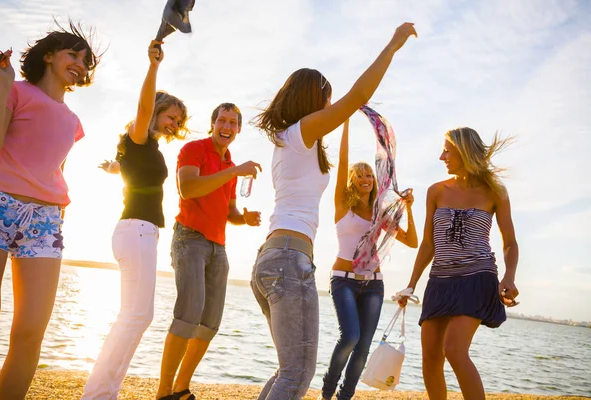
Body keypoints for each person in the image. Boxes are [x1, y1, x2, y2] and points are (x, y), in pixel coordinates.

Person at [250, 22, 417, 399]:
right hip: (289, 262)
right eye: (326, 98)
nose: (330, 105)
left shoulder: (290, 140)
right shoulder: (300, 132)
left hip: (274, 258)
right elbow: (356, 96)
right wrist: (392, 45)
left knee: (288, 371)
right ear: (310, 100)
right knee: (296, 375)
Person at [0, 22, 100, 399]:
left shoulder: (74, 122)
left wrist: (58, 216)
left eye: (86, 61)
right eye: (73, 54)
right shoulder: (13, 90)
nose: (80, 64)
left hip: (44, 221)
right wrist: (3, 83)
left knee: (30, 330)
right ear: (49, 55)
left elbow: (56, 171)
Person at [81, 40, 189, 399]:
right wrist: (153, 67)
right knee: (135, 316)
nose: (174, 122)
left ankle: (104, 391)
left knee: (138, 316)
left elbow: (126, 171)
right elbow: (143, 106)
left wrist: (113, 168)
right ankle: (98, 393)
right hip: (137, 231)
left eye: (178, 119)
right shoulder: (139, 135)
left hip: (138, 233)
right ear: (156, 111)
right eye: (170, 115)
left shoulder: (141, 147)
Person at [400, 127, 519, 400]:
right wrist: (410, 284)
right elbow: (428, 244)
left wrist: (509, 277)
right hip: (440, 280)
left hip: (477, 277)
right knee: (430, 358)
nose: (442, 157)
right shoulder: (435, 191)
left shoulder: (495, 192)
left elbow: (510, 242)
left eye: (447, 150)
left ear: (464, 152)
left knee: (454, 349)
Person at [156, 103, 262, 400]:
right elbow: (187, 188)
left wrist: (246, 218)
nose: (226, 127)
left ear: (238, 129)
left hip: (219, 246)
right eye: (222, 121)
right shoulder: (193, 149)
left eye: (232, 123)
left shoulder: (231, 166)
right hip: (189, 239)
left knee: (209, 323)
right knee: (188, 316)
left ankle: (181, 387)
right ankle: (163, 391)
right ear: (213, 123)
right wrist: (236, 172)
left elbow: (229, 212)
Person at [319, 120, 418, 400]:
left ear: (375, 181)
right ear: (352, 180)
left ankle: (344, 397)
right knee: (349, 337)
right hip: (343, 281)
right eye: (359, 175)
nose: (365, 179)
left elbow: (412, 241)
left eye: (369, 176)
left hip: (374, 284)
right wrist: (347, 121)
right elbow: (341, 161)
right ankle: (326, 394)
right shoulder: (342, 204)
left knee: (363, 346)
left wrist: (408, 209)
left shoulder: (380, 215)